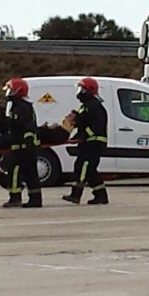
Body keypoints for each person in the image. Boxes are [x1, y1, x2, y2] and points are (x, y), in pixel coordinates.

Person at [63, 77, 109, 205]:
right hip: (89, 143)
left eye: (82, 89)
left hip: (93, 143)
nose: (79, 92)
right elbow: (84, 123)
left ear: (89, 90)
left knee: (82, 167)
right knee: (90, 171)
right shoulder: (88, 106)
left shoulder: (94, 106)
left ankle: (75, 195)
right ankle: (101, 196)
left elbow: (94, 127)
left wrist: (81, 133)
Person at [1, 77, 43, 208]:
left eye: (10, 90)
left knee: (16, 172)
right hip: (21, 146)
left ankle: (16, 198)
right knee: (30, 174)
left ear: (18, 91)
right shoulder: (18, 106)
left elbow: (27, 127)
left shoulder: (23, 107)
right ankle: (35, 199)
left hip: (23, 147)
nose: (8, 93)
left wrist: (28, 143)